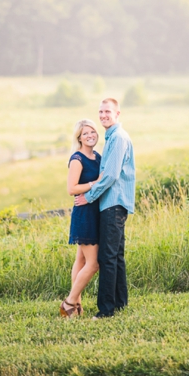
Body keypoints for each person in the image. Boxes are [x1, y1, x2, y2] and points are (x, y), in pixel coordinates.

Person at [74, 98, 136, 318]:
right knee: (116, 256)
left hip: (113, 204)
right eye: (100, 112)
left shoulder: (117, 138)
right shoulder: (111, 138)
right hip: (115, 204)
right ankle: (120, 303)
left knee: (107, 258)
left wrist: (89, 196)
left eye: (107, 111)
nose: (103, 116)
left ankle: (106, 310)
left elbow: (109, 175)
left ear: (118, 113)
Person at [60, 118, 101, 318]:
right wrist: (95, 183)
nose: (90, 135)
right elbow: (71, 189)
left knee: (81, 259)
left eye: (92, 131)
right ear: (79, 137)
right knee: (93, 264)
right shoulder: (77, 159)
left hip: (96, 213)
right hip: (84, 214)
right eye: (85, 133)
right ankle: (69, 302)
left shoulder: (98, 157)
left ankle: (76, 305)